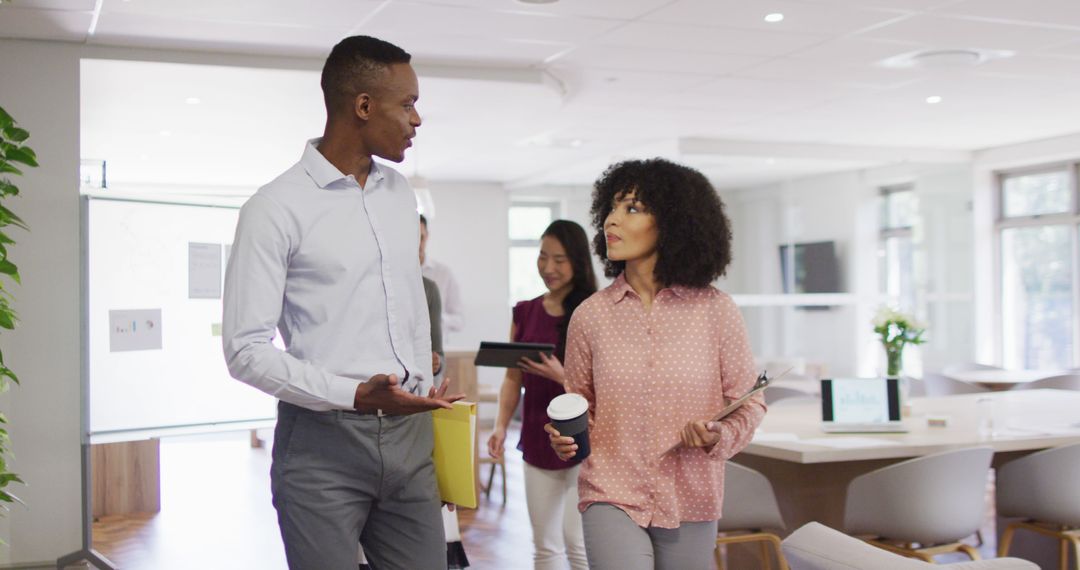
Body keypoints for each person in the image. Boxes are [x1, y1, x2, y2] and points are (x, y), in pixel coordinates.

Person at [222, 35, 463, 570]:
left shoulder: (400, 194)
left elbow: (410, 305)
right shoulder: (274, 208)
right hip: (321, 449)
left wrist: (422, 389)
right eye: (407, 104)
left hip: (410, 441)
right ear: (362, 106)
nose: (417, 119)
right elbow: (244, 350)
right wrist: (355, 395)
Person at [545, 158, 766, 570]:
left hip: (692, 497)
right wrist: (566, 437)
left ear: (674, 222)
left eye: (632, 208)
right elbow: (580, 406)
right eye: (611, 208)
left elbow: (749, 401)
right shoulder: (591, 315)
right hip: (610, 490)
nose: (612, 220)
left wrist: (718, 434)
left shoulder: (717, 311)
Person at [488, 220, 596, 570]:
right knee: (545, 546)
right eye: (542, 257)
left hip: (585, 442)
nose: (548, 268)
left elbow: (609, 389)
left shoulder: (594, 312)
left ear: (578, 261)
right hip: (537, 436)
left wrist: (562, 375)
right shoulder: (525, 311)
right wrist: (501, 426)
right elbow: (511, 378)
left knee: (577, 542)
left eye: (559, 259)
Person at [420, 215, 465, 333]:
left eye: (421, 237)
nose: (417, 243)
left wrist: (437, 317)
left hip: (437, 348)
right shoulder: (398, 275)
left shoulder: (444, 273)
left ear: (427, 236)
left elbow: (459, 320)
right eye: (412, 238)